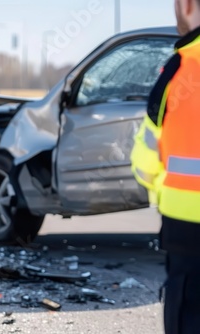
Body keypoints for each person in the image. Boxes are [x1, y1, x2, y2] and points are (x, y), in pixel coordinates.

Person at [131, 0, 200, 333]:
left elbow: (145, 158)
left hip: (187, 225)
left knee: (187, 313)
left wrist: (162, 189)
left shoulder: (179, 71)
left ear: (187, 6)